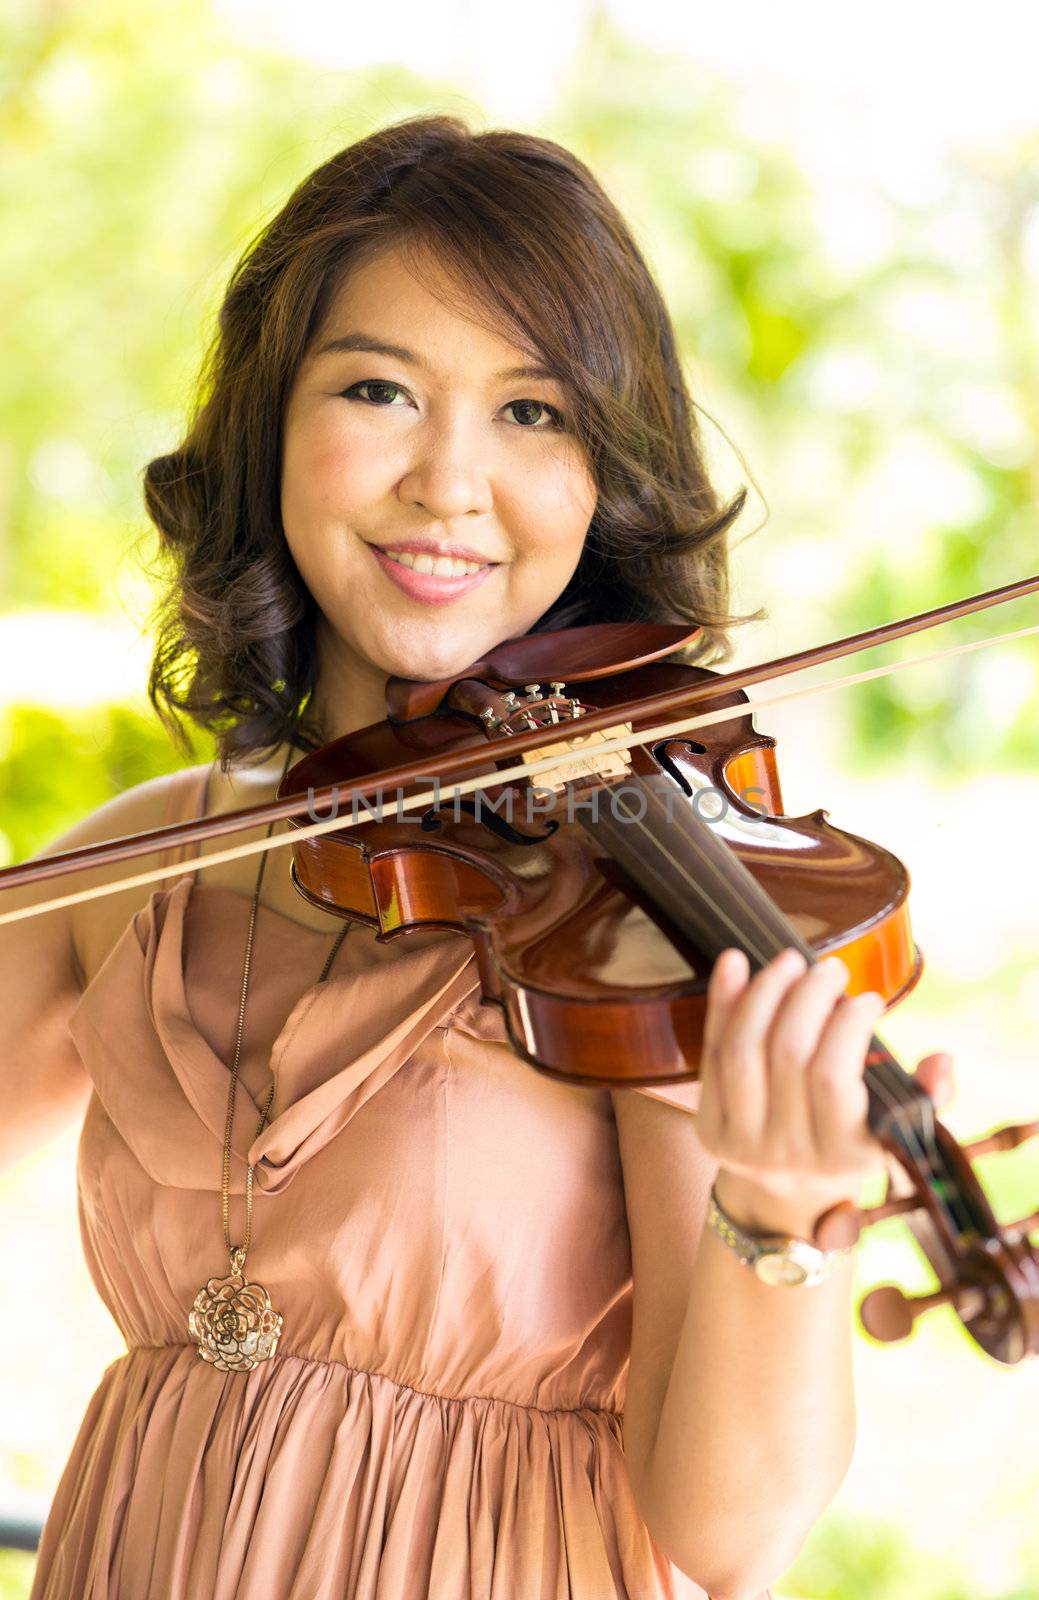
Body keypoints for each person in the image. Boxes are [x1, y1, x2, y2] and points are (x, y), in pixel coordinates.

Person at [4, 114, 954, 1600]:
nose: (451, 481)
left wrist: (776, 1219)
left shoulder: (641, 916)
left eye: (533, 412)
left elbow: (730, 1533)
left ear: (603, 471)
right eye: (379, 389)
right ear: (271, 426)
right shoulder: (141, 866)